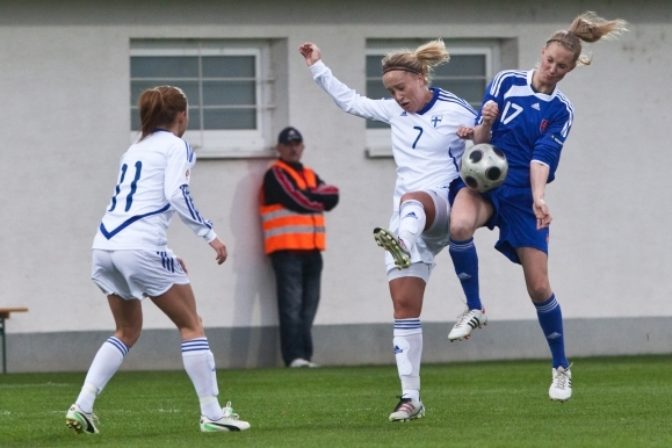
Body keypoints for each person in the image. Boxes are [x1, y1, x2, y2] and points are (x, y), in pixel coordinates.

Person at [447, 11, 628, 402]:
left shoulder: (561, 110)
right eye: (550, 61)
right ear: (542, 53)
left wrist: (539, 196)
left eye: (562, 67)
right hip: (484, 183)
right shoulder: (506, 81)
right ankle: (474, 308)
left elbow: (542, 157)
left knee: (540, 286)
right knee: (458, 226)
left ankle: (561, 368)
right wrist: (483, 124)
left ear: (570, 69)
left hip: (523, 196)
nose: (553, 70)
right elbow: (481, 138)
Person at [299, 41, 476, 421]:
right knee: (404, 308)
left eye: (402, 89)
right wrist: (317, 66)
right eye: (391, 91)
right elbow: (350, 101)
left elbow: (488, 145)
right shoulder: (395, 111)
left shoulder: (454, 109)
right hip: (408, 218)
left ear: (420, 78)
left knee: (414, 199)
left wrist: (477, 133)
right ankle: (410, 398)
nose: (397, 97)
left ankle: (403, 241)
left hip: (442, 206)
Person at [65, 85, 250, 434]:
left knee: (127, 329)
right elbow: (175, 193)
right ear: (182, 116)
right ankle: (212, 414)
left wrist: (165, 254)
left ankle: (83, 406)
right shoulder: (176, 145)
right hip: (141, 246)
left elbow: (141, 203)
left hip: (104, 245)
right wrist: (210, 235)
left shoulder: (134, 148)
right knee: (191, 323)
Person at [260, 126, 339, 368]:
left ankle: (305, 356)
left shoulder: (309, 173)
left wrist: (310, 195)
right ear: (279, 148)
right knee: (291, 306)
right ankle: (293, 357)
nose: (294, 148)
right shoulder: (275, 174)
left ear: (302, 147)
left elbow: (333, 195)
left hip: (313, 249)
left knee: (309, 306)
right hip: (287, 249)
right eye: (288, 144)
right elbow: (295, 200)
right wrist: (315, 197)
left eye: (297, 144)